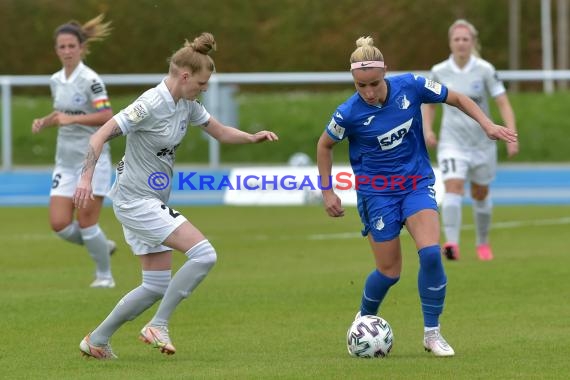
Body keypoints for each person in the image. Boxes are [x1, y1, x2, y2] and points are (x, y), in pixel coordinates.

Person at [72, 32, 278, 360]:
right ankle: (159, 325)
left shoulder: (186, 104)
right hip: (136, 201)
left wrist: (252, 138)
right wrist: (85, 179)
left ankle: (96, 340)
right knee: (204, 254)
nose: (204, 89)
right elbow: (99, 136)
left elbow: (221, 132)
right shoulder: (149, 105)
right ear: (184, 76)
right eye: (201, 83)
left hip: (149, 200)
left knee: (154, 285)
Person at [316, 36, 517, 357]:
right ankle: (365, 316)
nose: (368, 92)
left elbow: (457, 98)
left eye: (374, 84)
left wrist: (487, 124)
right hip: (376, 194)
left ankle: (432, 333)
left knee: (431, 254)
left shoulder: (410, 86)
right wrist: (328, 191)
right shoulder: (348, 113)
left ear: (386, 73)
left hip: (415, 183)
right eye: (360, 86)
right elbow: (324, 145)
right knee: (389, 272)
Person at [32, 14, 117, 288]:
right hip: (65, 161)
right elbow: (63, 111)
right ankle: (102, 245)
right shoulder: (56, 80)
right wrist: (46, 120)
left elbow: (107, 114)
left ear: (82, 48)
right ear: (56, 50)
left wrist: (74, 119)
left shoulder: (91, 80)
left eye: (72, 46)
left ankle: (105, 276)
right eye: (62, 47)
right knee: (59, 224)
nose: (67, 51)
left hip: (92, 161)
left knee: (87, 223)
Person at [423, 19, 519, 261]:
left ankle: (482, 243)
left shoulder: (485, 70)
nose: (461, 43)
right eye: (457, 39)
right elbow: (430, 105)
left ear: (473, 42)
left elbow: (502, 102)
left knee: (480, 193)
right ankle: (452, 244)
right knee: (453, 187)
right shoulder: (439, 71)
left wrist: (511, 134)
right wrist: (427, 130)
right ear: (450, 42)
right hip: (452, 142)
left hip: (482, 144)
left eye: (466, 39)